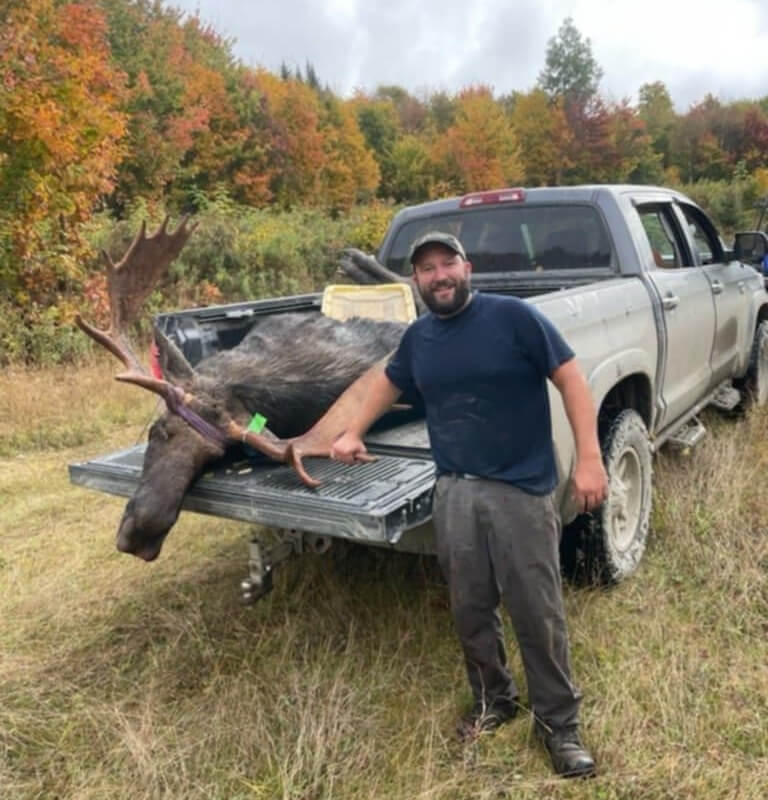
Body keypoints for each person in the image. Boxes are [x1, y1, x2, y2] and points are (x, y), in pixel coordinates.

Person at [330, 231, 609, 779]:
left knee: (537, 610)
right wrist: (353, 431)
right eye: (427, 268)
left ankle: (560, 725)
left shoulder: (513, 319)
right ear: (415, 279)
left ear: (467, 267)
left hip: (520, 490)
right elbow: (387, 383)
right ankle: (493, 700)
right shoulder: (420, 338)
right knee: (470, 607)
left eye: (447, 263)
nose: (439, 275)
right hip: (454, 490)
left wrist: (590, 459)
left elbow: (572, 379)